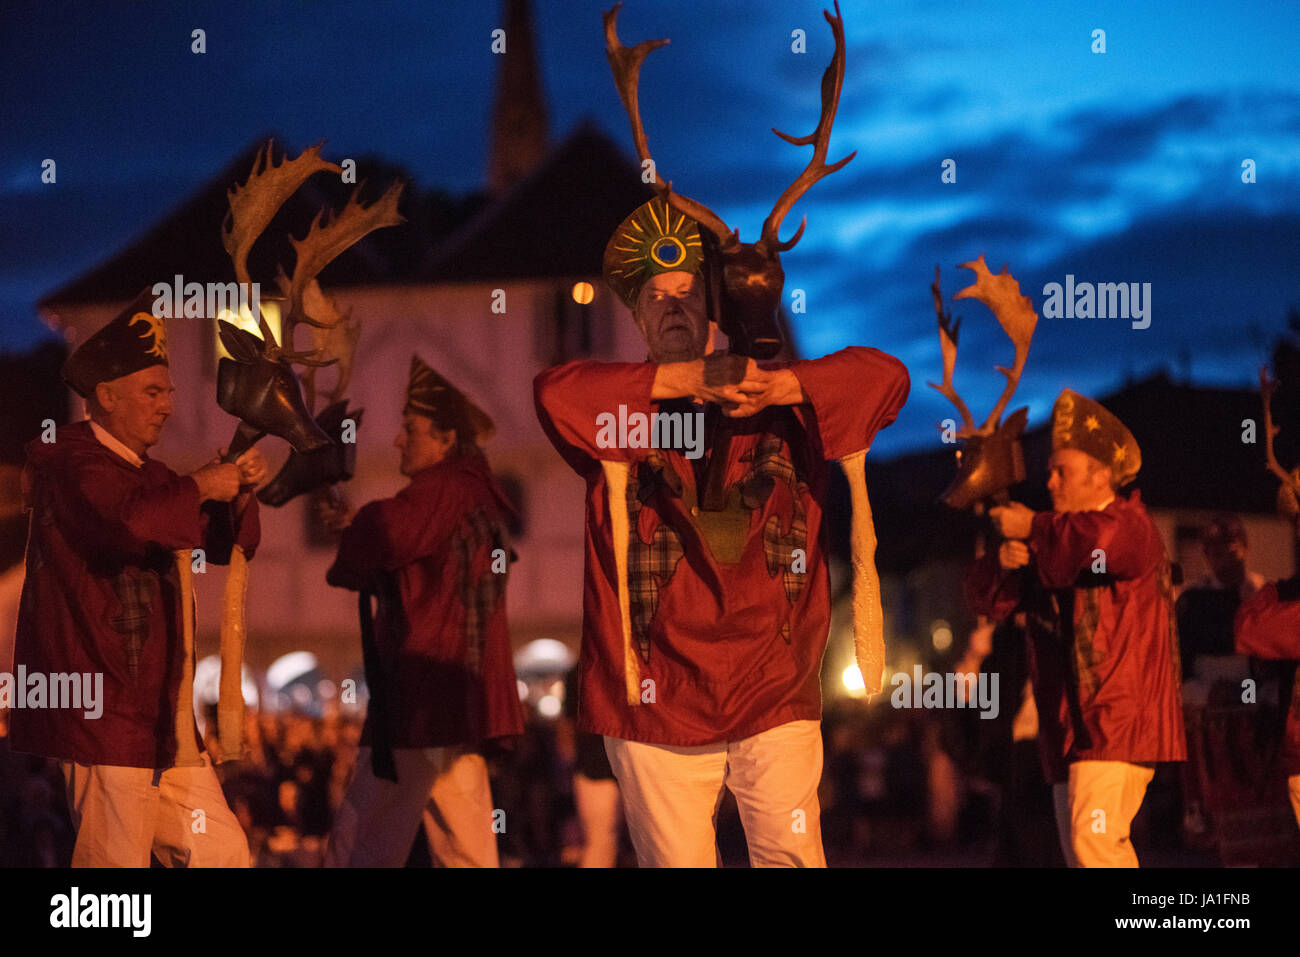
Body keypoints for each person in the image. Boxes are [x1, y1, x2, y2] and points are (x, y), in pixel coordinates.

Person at [534, 197, 909, 867]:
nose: (675, 305)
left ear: (712, 306)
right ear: (637, 315)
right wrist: (691, 379)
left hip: (775, 690)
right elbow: (555, 393)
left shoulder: (784, 403)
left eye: (688, 291)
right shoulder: (619, 414)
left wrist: (780, 387)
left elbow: (888, 379)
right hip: (657, 703)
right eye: (657, 295)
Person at [10, 290, 266, 867]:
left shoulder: (148, 474)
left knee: (221, 855)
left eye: (169, 390)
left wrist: (238, 493)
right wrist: (202, 485)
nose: (169, 405)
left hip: (160, 719)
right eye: (154, 391)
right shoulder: (72, 464)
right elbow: (128, 524)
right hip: (102, 714)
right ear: (106, 396)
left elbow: (225, 542)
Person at [965, 388, 1186, 867]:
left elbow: (1093, 543)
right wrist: (1005, 562)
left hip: (1115, 722)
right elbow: (986, 598)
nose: (1049, 481)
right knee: (1084, 851)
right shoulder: (1057, 537)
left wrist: (1032, 530)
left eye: (1061, 470)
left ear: (1101, 474)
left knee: (1094, 847)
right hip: (1069, 730)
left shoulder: (1130, 526)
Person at [322, 356, 524, 867]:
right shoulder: (468, 490)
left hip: (422, 698)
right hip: (457, 702)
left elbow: (388, 534)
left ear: (445, 439)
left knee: (362, 843)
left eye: (410, 429)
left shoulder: (447, 486)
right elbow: (412, 558)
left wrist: (356, 530)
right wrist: (357, 533)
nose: (397, 440)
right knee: (467, 851)